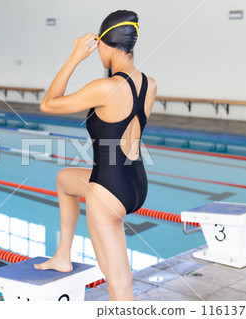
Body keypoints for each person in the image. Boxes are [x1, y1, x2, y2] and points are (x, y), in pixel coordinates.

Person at [33, 10, 157, 301]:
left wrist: (75, 57)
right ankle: (62, 255)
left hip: (108, 192)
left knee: (119, 287)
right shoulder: (149, 83)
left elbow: (48, 104)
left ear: (105, 44)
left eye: (98, 46)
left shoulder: (106, 87)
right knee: (65, 179)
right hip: (136, 183)